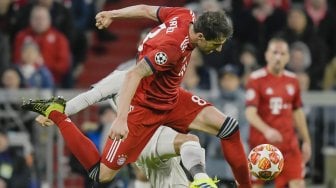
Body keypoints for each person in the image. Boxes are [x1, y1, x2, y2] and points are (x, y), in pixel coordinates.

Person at [22, 4, 251, 187]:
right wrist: (121, 119)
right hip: (143, 111)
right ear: (200, 36)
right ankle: (58, 116)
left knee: (229, 128)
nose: (219, 49)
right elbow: (132, 75)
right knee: (101, 175)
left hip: (171, 99)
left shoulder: (186, 15)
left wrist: (113, 13)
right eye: (216, 43)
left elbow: (145, 10)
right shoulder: (170, 49)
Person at [245, 37, 312, 188]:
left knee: (298, 183)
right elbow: (250, 113)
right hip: (262, 145)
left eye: (282, 53)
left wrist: (306, 140)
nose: (278, 57)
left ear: (287, 57)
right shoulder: (256, 79)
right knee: (255, 185)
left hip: (288, 144)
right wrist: (267, 130)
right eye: (274, 52)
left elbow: (297, 112)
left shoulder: (293, 80)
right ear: (267, 55)